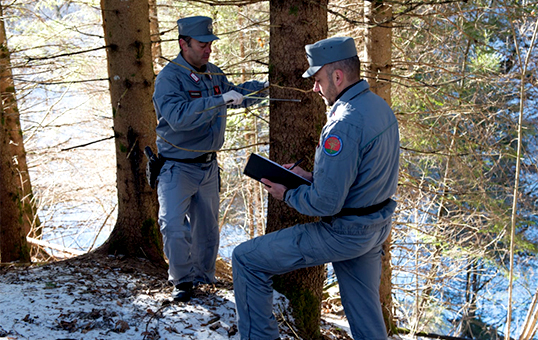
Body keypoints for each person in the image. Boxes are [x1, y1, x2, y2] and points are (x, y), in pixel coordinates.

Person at [232, 36, 399, 340]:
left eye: (318, 79)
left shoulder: (344, 123)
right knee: (366, 316)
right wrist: (309, 177)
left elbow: (326, 204)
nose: (314, 87)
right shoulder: (378, 107)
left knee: (246, 259)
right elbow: (361, 176)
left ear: (337, 76)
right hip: (375, 227)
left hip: (345, 232)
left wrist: (287, 192)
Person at [153, 16, 267, 302]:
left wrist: (263, 90)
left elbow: (234, 94)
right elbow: (178, 117)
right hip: (176, 167)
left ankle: (204, 279)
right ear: (184, 44)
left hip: (207, 166)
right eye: (202, 45)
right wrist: (221, 100)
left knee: (207, 229)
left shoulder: (214, 74)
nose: (208, 50)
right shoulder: (169, 78)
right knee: (173, 225)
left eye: (210, 44)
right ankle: (182, 282)